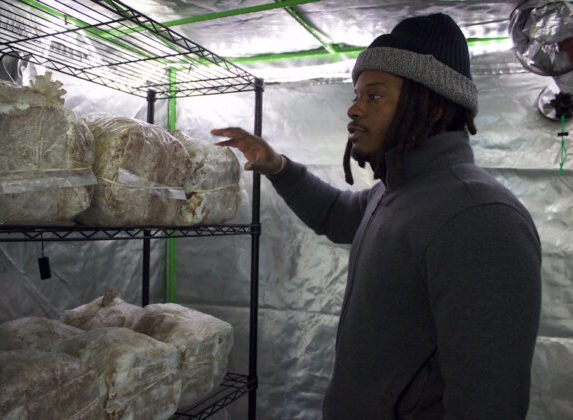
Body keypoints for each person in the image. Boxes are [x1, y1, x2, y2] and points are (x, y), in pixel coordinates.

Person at [212, 13, 542, 420]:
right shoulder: (396, 192)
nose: (353, 109)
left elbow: (488, 404)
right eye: (356, 94)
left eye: (374, 96)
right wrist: (277, 165)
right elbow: (335, 213)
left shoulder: (480, 218)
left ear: (435, 107)